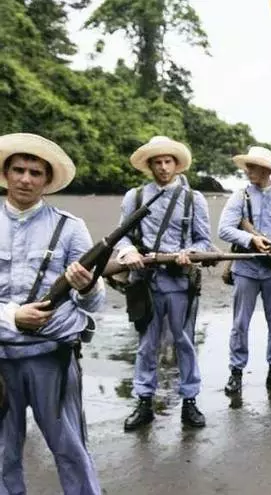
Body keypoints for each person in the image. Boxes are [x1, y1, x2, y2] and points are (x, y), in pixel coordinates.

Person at [0, 133, 104, 493]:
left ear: (47, 180)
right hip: (1, 360)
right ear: (6, 174)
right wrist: (12, 318)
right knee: (2, 454)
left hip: (52, 358)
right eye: (18, 170)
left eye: (35, 173)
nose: (25, 179)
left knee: (70, 448)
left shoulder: (70, 227)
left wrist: (87, 287)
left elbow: (94, 304)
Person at [115, 135, 213, 431]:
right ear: (150, 166)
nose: (163, 167)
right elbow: (121, 236)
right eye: (157, 162)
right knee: (146, 344)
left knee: (185, 342)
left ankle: (190, 401)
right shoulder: (135, 197)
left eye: (167, 161)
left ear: (176, 164)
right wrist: (130, 252)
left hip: (181, 283)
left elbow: (203, 241)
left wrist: (189, 254)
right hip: (146, 281)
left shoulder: (194, 199)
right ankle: (144, 400)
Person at [218, 146, 271, 395]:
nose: (248, 171)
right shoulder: (239, 196)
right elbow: (224, 229)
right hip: (245, 267)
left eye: (253, 167)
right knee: (240, 323)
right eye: (248, 166)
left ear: (266, 170)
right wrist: (250, 239)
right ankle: (236, 372)